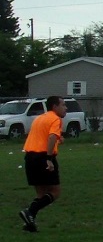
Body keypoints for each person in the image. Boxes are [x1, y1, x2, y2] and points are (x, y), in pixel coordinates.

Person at [18, 96, 67, 232]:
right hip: (43, 157)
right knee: (55, 191)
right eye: (63, 105)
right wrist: (49, 158)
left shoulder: (40, 118)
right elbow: (51, 137)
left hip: (30, 157)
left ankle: (30, 224)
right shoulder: (55, 119)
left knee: (41, 193)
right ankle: (30, 211)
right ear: (54, 107)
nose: (66, 108)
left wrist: (57, 140)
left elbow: (44, 136)